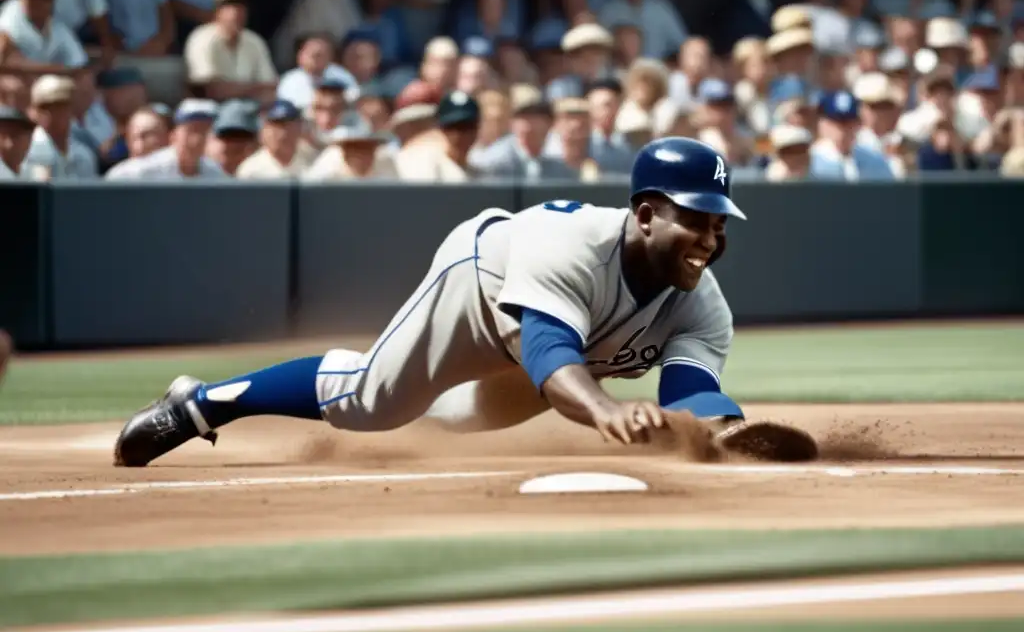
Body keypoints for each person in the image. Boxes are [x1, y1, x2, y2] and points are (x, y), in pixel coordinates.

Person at [114, 137, 793, 467]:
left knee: (459, 420)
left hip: (563, 348)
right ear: (646, 213)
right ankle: (201, 403)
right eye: (697, 219)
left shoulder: (702, 304)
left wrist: (721, 430)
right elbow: (552, 357)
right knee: (376, 403)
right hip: (482, 288)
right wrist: (607, 409)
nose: (712, 236)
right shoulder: (573, 247)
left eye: (720, 222)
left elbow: (691, 390)